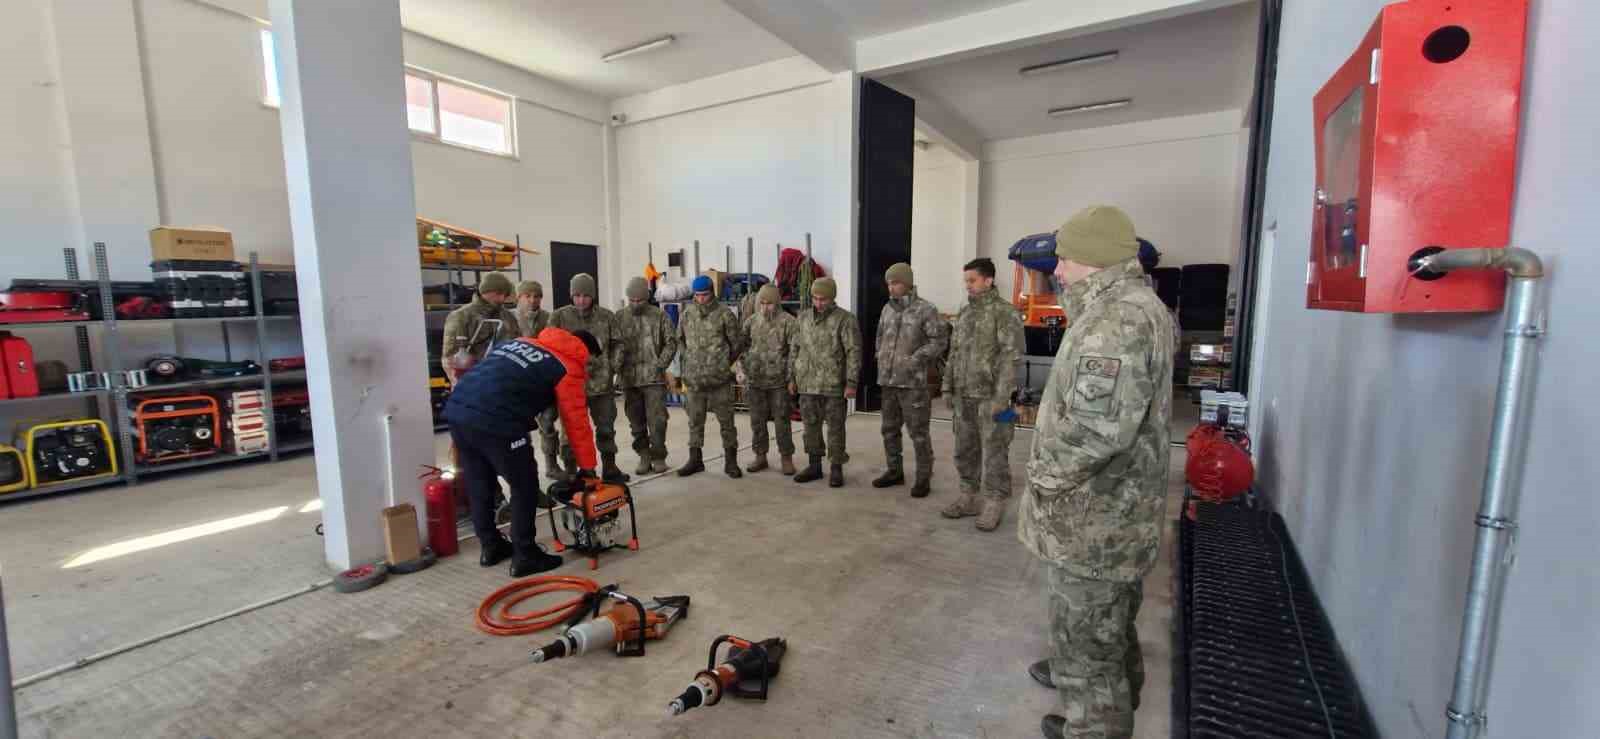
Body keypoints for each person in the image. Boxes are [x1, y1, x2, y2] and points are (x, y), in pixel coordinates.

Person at [1018, 206, 1174, 739]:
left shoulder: (1117, 321)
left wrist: (1041, 477)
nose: (1057, 268)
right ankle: (1117, 693)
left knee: (1086, 640)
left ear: (1093, 259)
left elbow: (1095, 433)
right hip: (1116, 512)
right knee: (1108, 625)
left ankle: (1095, 726)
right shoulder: (1132, 307)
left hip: (1095, 519)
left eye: (1064, 257)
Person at [443, 326, 602, 577]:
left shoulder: (521, 342)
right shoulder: (567, 365)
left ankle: (491, 546)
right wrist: (587, 467)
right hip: (497, 420)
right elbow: (576, 422)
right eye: (590, 362)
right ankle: (525, 555)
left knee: (478, 482)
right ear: (585, 351)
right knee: (524, 485)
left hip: (458, 412)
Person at [940, 257, 1024, 531]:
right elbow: (953, 353)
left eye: (972, 280)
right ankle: (968, 496)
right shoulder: (965, 314)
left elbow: (1011, 359)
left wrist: (1002, 400)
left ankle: (994, 501)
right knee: (965, 449)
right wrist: (948, 386)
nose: (968, 285)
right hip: (965, 395)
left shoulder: (1005, 312)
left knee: (995, 450)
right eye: (966, 281)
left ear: (988, 280)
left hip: (993, 398)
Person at [872, 263, 949, 498]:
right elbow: (879, 338)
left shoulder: (925, 309)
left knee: (918, 433)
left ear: (907, 283)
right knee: (889, 430)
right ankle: (895, 471)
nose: (891, 287)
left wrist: (917, 358)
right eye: (888, 283)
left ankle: (923, 478)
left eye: (895, 282)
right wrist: (881, 357)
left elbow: (939, 342)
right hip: (888, 382)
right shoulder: (887, 309)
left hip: (913, 384)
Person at [549, 274, 628, 483]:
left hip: (601, 385)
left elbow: (618, 343)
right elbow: (550, 346)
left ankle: (610, 467)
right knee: (571, 431)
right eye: (576, 295)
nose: (581, 300)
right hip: (571, 386)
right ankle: (574, 471)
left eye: (586, 295)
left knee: (606, 428)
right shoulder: (559, 317)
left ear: (593, 296)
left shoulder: (607, 316)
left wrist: (613, 366)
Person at [788, 277, 861, 488]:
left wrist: (852, 382)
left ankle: (836, 468)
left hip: (833, 385)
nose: (818, 303)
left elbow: (854, 353)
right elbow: (794, 349)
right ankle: (814, 466)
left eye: (823, 299)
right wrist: (792, 378)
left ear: (832, 297)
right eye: (815, 298)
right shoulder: (802, 319)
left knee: (835, 428)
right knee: (810, 426)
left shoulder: (845, 320)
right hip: (807, 384)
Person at [676, 274, 745, 478]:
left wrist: (722, 363)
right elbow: (679, 339)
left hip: (719, 381)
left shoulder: (725, 315)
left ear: (712, 293)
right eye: (697, 295)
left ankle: (731, 462)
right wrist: (687, 360)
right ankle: (695, 460)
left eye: (704, 295)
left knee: (727, 422)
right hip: (695, 380)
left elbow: (737, 343)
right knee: (695, 422)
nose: (701, 299)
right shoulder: (687, 314)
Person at [615, 277, 677, 476]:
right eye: (632, 300)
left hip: (654, 379)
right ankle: (643, 455)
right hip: (629, 379)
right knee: (636, 421)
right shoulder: (619, 318)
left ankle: (658, 456)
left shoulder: (660, 316)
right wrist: (616, 369)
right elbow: (613, 346)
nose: (635, 304)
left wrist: (660, 365)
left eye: (639, 300)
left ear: (647, 298)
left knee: (658, 420)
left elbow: (671, 342)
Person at [741, 284, 796, 475]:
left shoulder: (788, 322)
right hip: (755, 381)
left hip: (779, 382)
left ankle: (786, 458)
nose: (765, 307)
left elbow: (794, 353)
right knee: (757, 421)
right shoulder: (751, 322)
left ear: (777, 303)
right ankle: (760, 456)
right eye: (762, 303)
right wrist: (744, 371)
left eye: (770, 303)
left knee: (782, 421)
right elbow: (742, 348)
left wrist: (791, 379)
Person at [515, 280, 563, 481]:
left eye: (537, 296)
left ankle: (551, 465)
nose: (533, 300)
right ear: (519, 297)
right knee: (518, 432)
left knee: (548, 423)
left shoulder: (549, 318)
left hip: (544, 381)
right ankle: (523, 473)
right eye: (528, 296)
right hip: (518, 383)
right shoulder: (510, 319)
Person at [440, 272, 518, 385]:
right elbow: (449, 358)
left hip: (504, 382)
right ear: (492, 292)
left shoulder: (508, 316)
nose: (504, 299)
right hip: (473, 385)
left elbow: (518, 346)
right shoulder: (461, 316)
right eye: (502, 294)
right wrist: (462, 384)